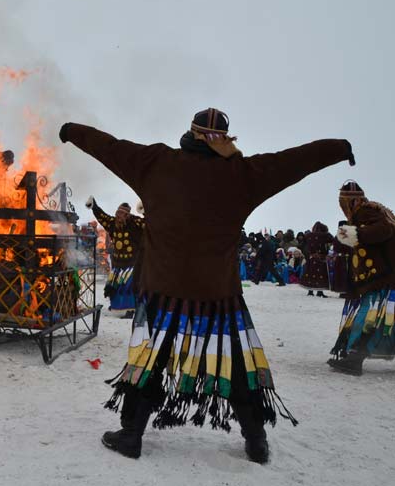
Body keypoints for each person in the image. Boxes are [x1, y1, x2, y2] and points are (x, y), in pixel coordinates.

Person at [60, 107, 353, 463]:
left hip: (163, 291)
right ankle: (256, 440)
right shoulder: (242, 174)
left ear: (191, 133)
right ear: (225, 139)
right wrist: (337, 148)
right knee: (236, 366)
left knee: (150, 361)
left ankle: (132, 434)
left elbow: (110, 147)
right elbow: (293, 161)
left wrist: (73, 130)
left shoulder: (156, 162)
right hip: (217, 295)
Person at [327, 181, 395, 375]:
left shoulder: (365, 211)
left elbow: (385, 229)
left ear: (353, 201)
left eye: (344, 203)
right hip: (382, 275)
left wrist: (355, 234)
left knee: (368, 316)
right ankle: (355, 356)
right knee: (381, 317)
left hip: (380, 277)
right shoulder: (375, 210)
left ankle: (355, 358)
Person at [86, 198, 143, 317]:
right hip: (117, 264)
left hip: (131, 264)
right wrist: (94, 206)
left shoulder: (135, 222)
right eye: (117, 213)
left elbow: (149, 224)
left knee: (129, 287)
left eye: (121, 214)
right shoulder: (112, 223)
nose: (118, 216)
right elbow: (102, 217)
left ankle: (131, 310)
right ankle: (117, 307)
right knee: (116, 287)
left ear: (127, 215)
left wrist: (145, 212)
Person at [300, 222, 333, 297]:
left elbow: (302, 245)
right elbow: (333, 240)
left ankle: (310, 291)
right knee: (320, 274)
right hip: (321, 258)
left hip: (311, 258)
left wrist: (308, 254)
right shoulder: (325, 235)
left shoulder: (308, 235)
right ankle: (320, 292)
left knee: (310, 273)